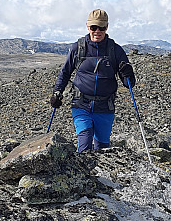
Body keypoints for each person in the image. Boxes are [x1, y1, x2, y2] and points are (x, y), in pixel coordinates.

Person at [50, 9, 136, 152]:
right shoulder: (78, 48)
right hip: (81, 104)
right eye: (93, 27)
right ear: (87, 26)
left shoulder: (115, 50)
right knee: (84, 143)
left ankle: (99, 175)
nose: (97, 31)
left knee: (103, 149)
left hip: (105, 107)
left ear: (107, 27)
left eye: (101, 27)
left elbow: (129, 84)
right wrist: (57, 92)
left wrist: (128, 73)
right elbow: (65, 73)